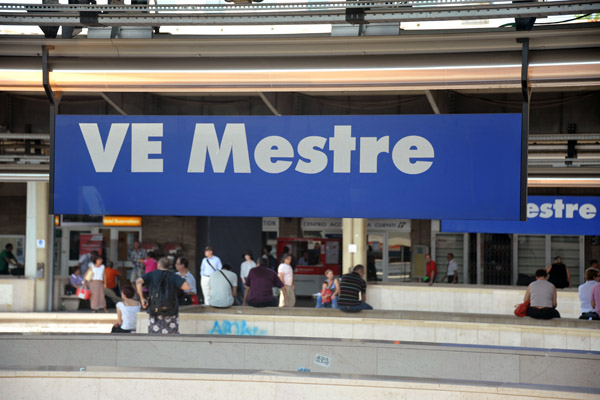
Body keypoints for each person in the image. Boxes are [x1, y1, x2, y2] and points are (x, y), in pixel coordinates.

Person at [136, 257, 190, 334]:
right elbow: (187, 286)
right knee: (171, 337)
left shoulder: (151, 275)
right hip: (171, 311)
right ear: (168, 266)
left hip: (155, 310)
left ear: (158, 265)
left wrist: (142, 298)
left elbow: (138, 282)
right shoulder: (174, 276)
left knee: (154, 337)